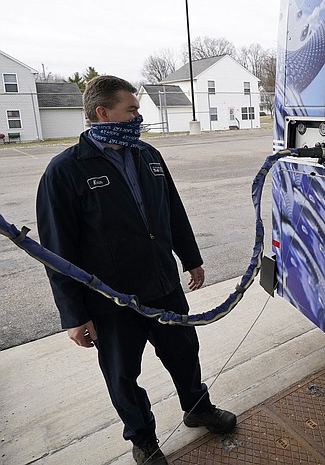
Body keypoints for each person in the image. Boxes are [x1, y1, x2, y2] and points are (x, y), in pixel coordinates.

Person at [36, 75, 236, 465]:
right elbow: (57, 251)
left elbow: (172, 210)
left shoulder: (147, 156)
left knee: (184, 353)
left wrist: (190, 257)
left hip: (163, 284)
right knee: (123, 375)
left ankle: (198, 408)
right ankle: (143, 439)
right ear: (102, 112)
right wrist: (74, 316)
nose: (138, 116)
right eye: (131, 109)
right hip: (111, 300)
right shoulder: (65, 172)